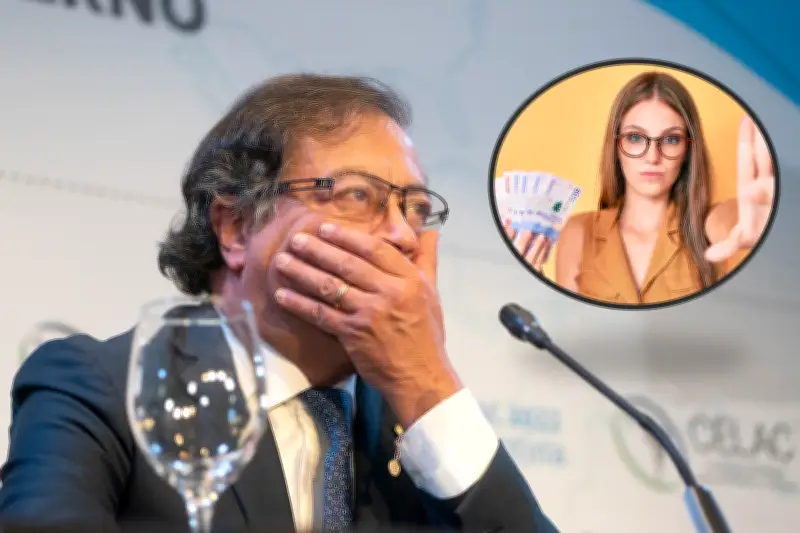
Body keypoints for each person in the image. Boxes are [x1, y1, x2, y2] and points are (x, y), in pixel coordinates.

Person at [0, 74, 558, 533]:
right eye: (357, 195)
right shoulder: (101, 387)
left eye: (414, 208)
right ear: (236, 227)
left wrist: (428, 384)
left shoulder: (423, 430)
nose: (402, 236)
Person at [506, 71, 775, 305]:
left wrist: (760, 222)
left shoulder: (706, 223)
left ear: (688, 151)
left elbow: (731, 221)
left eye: (670, 139)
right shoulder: (579, 231)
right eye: (635, 137)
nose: (652, 156)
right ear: (616, 146)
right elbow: (569, 328)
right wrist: (534, 284)